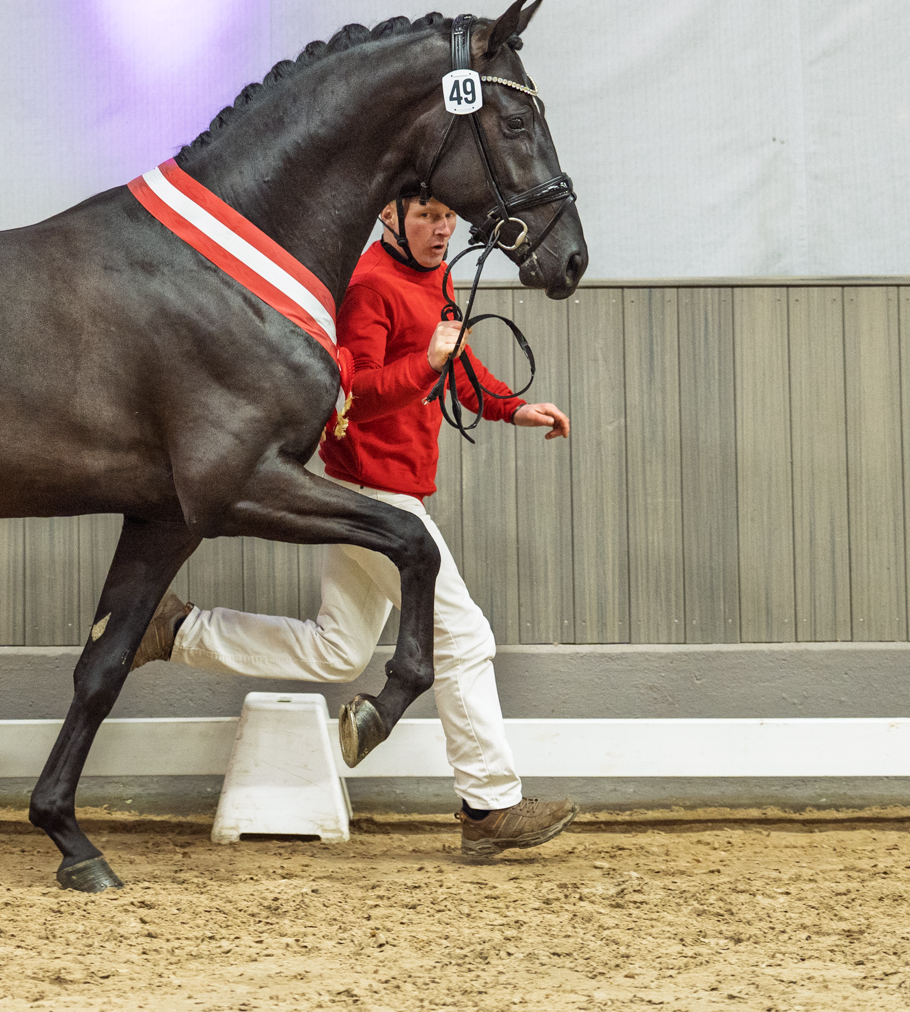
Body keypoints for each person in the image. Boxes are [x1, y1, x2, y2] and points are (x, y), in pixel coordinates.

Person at [132, 197, 579, 858]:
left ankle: (175, 630)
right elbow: (353, 396)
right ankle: (490, 805)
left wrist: (512, 408)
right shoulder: (370, 286)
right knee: (462, 638)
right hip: (374, 497)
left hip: (380, 492)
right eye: (426, 216)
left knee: (338, 650)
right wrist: (426, 363)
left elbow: (457, 365)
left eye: (447, 216)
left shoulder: (434, 274)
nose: (442, 229)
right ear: (390, 215)